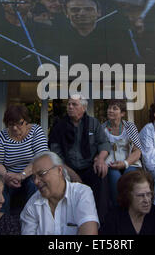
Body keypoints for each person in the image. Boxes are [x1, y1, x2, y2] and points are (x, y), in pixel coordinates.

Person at [49, 94, 111, 222]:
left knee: (102, 173)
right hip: (66, 168)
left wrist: (100, 159)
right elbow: (55, 155)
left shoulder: (93, 123)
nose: (70, 107)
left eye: (74, 104)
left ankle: (100, 221)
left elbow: (104, 143)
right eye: (69, 104)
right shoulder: (59, 126)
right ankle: (67, 221)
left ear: (83, 108)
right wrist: (71, 173)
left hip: (89, 166)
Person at [20, 151, 99, 235]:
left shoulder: (81, 193)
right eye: (34, 177)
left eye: (41, 174)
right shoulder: (32, 205)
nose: (36, 181)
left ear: (59, 170)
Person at [0, 105, 48, 213]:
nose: (15, 128)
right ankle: (1, 222)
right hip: (9, 176)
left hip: (31, 174)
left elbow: (41, 159)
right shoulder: (2, 136)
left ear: (26, 120)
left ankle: (33, 217)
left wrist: (22, 175)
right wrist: (6, 176)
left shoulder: (36, 131)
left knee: (34, 184)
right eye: (11, 124)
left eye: (19, 123)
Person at [99, 169, 155, 235]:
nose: (146, 200)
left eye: (148, 194)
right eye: (140, 195)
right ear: (128, 196)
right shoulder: (113, 219)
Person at [102, 99, 143, 206]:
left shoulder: (130, 127)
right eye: (109, 108)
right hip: (111, 164)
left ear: (123, 113)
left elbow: (137, 151)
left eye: (114, 109)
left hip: (129, 162)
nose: (110, 111)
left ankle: (132, 208)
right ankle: (118, 211)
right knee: (115, 180)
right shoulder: (103, 128)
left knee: (129, 179)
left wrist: (125, 163)